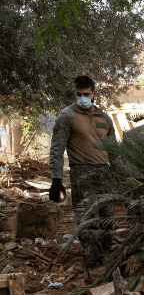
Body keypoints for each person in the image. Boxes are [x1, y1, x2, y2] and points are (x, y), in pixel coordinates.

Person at [48, 75, 118, 282]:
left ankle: (105, 264)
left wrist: (122, 175)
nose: (82, 98)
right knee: (89, 224)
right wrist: (56, 179)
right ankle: (94, 271)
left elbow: (114, 150)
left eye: (86, 94)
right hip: (82, 175)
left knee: (108, 223)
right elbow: (56, 148)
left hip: (105, 175)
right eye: (78, 94)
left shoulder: (104, 118)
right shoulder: (66, 116)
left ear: (94, 94)